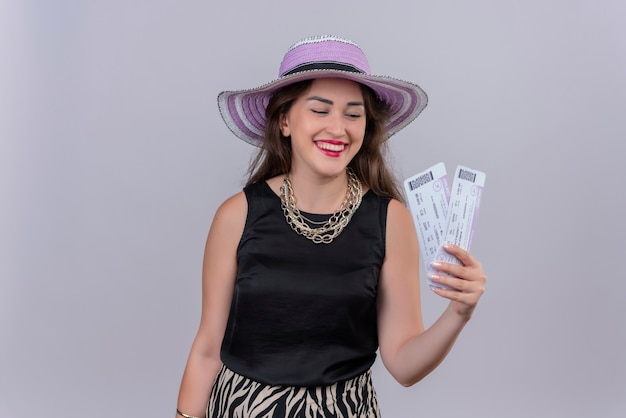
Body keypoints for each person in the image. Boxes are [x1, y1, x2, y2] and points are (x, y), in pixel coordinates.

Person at [175, 35, 486, 418]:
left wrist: (459, 312)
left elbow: (404, 365)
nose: (338, 129)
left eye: (353, 114)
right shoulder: (236, 215)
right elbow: (207, 351)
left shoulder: (390, 220)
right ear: (285, 120)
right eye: (320, 110)